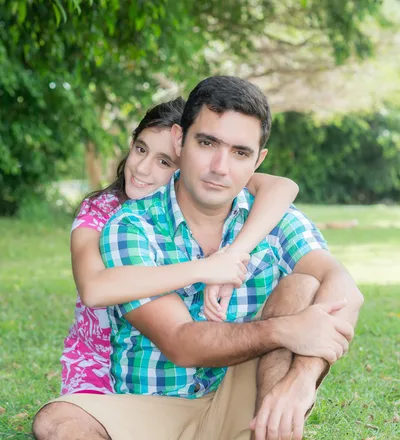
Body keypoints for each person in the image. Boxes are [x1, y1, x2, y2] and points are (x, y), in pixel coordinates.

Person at [33, 76, 363, 440]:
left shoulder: (274, 219)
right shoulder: (132, 225)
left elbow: (344, 290)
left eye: (240, 153)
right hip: (155, 414)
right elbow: (182, 342)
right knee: (56, 423)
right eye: (207, 142)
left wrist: (300, 379)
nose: (219, 167)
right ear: (181, 140)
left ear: (258, 161)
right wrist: (285, 329)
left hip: (249, 414)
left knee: (304, 286)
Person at [61, 97, 299, 396]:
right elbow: (95, 289)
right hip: (97, 360)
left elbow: (283, 187)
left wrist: (236, 251)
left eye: (164, 162)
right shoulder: (100, 210)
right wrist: (206, 269)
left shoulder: (196, 193)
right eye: (141, 149)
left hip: (156, 361)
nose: (143, 168)